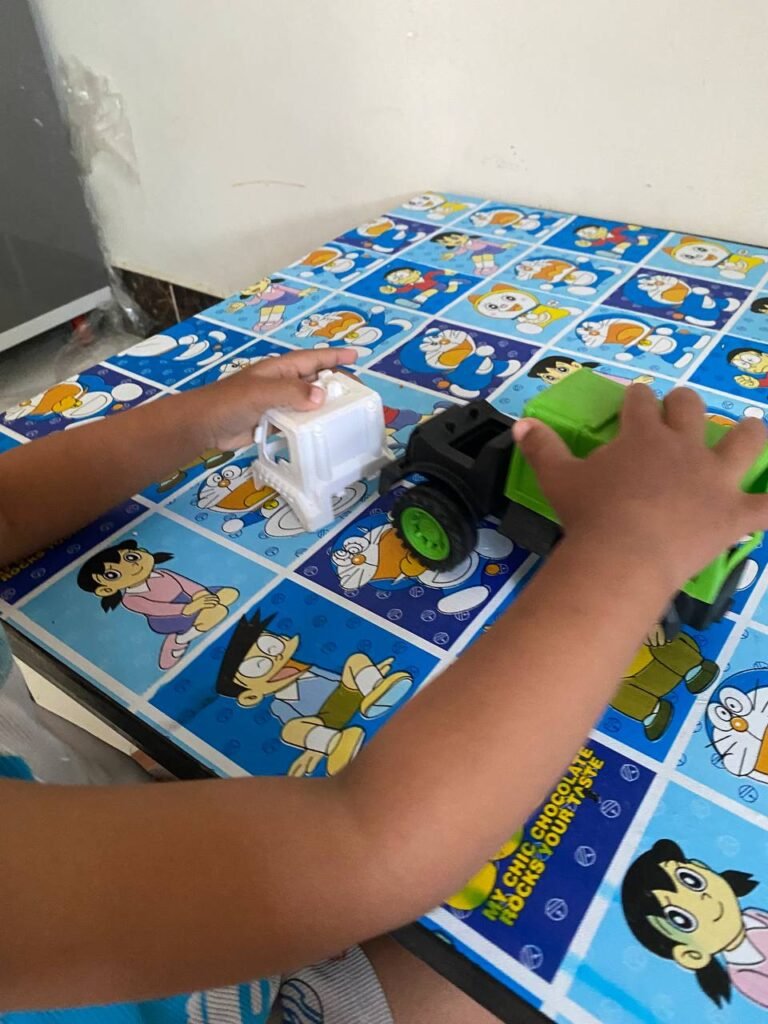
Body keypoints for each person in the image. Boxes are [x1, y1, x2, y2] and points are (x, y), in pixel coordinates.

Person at [2, 346, 768, 1023]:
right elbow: (368, 852)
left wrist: (200, 419)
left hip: (92, 833)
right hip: (220, 991)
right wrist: (629, 550)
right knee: (523, 964)